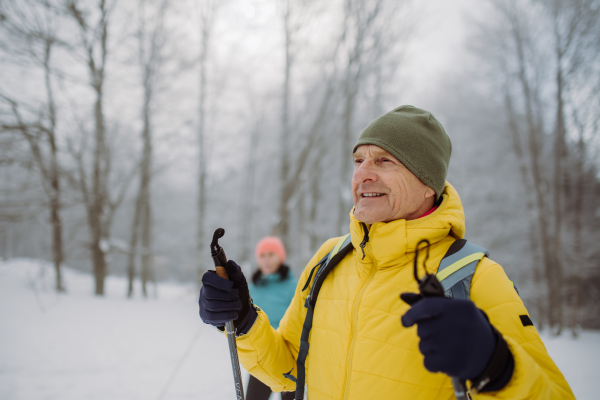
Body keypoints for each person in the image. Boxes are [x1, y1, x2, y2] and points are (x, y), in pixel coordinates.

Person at [199, 106, 575, 399]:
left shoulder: (471, 275)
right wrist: (245, 320)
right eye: (358, 160)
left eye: (384, 160)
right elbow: (288, 371)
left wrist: (498, 366)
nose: (363, 173)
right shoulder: (329, 260)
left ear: (428, 183)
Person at [247, 237, 297, 400]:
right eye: (262, 255)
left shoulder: (294, 286)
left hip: (289, 359)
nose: (267, 260)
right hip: (261, 357)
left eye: (271, 254)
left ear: (280, 257)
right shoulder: (252, 288)